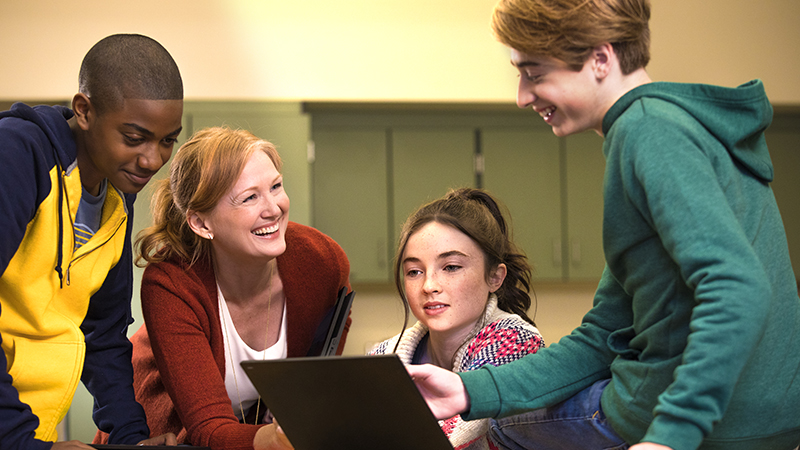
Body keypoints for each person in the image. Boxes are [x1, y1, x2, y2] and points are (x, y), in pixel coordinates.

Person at [406, 1, 800, 449]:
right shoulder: (676, 127)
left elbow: (737, 288)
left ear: (600, 58)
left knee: (502, 429)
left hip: (705, 418)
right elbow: (603, 335)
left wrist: (670, 436)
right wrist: (466, 390)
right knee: (495, 412)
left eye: (534, 73)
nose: (522, 95)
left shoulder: (647, 132)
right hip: (770, 414)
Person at [92, 127, 351, 450]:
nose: (273, 208)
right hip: (162, 435)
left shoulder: (322, 262)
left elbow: (314, 378)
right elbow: (207, 430)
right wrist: (280, 436)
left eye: (276, 186)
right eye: (250, 197)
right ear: (201, 223)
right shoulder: (171, 283)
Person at [0, 34, 184, 450]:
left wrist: (131, 438)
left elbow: (102, 333)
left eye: (167, 140)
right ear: (84, 111)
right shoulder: (17, 153)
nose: (153, 160)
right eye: (135, 138)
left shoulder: (118, 193)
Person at [371, 188, 544, 450]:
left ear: (495, 277)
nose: (429, 285)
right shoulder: (383, 355)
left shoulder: (516, 343)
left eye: (451, 267)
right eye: (414, 271)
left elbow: (457, 441)